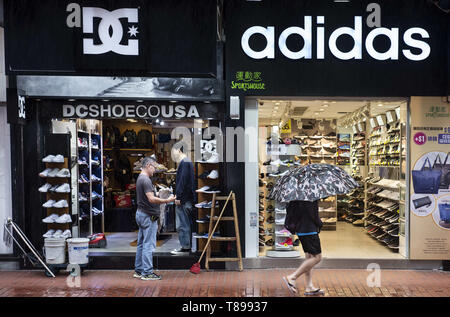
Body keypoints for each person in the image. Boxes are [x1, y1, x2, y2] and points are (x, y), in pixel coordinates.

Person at [134, 156, 176, 281]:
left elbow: (150, 196)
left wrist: (159, 194)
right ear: (148, 165)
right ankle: (147, 272)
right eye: (154, 167)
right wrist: (166, 200)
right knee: (148, 244)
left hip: (141, 214)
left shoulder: (140, 178)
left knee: (141, 243)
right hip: (148, 216)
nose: (155, 170)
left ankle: (139, 270)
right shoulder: (145, 180)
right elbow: (151, 199)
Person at [282, 200, 324, 296]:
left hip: (301, 229)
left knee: (309, 257)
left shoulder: (297, 195)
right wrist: (319, 223)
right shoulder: (309, 196)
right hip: (309, 229)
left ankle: (309, 286)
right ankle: (292, 277)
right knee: (317, 257)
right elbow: (312, 214)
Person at [170, 143, 195, 255]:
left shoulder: (184, 163)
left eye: (174, 150)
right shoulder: (188, 162)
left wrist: (178, 196)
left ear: (179, 150)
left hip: (184, 199)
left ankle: (185, 247)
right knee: (186, 223)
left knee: (182, 224)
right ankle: (186, 246)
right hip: (187, 198)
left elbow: (182, 181)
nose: (173, 153)